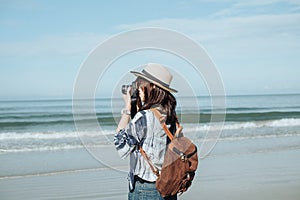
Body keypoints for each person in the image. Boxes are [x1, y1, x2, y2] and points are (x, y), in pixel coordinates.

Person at [114, 63, 178, 200]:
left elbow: (121, 146)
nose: (137, 86)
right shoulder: (168, 113)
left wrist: (127, 106)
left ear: (153, 87)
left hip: (146, 189)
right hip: (168, 185)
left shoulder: (144, 117)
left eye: (140, 82)